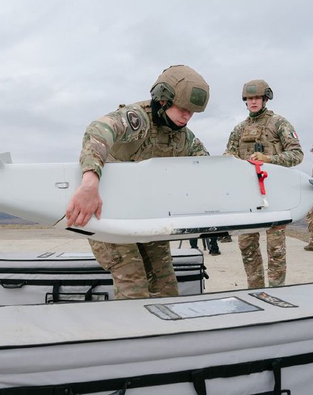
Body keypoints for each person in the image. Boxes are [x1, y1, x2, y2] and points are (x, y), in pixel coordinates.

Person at [66, 65, 210, 299]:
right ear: (163, 99)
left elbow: (206, 167)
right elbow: (99, 130)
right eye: (183, 109)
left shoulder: (183, 137)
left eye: (192, 112)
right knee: (133, 283)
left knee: (165, 285)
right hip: (109, 216)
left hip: (146, 215)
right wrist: (90, 182)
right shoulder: (138, 119)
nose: (187, 116)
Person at [224, 79, 303, 289]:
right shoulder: (239, 129)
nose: (253, 102)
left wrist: (269, 160)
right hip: (247, 197)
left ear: (265, 99)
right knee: (247, 247)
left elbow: (297, 154)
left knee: (275, 250)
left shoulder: (279, 123)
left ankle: (277, 290)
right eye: (250, 98)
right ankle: (255, 290)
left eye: (257, 97)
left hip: (275, 195)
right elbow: (229, 156)